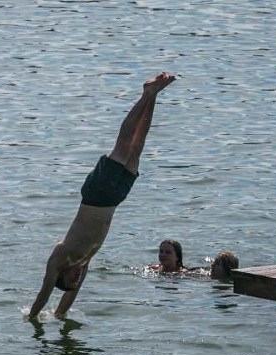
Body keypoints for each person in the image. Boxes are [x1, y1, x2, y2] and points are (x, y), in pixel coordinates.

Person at [29, 72, 177, 318]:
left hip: (97, 194)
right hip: (115, 199)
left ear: (60, 275)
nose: (77, 277)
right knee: (138, 146)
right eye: (77, 279)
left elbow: (45, 291)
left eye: (71, 279)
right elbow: (71, 294)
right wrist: (59, 315)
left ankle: (145, 94)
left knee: (123, 144)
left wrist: (33, 317)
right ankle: (153, 96)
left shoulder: (60, 257)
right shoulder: (83, 262)